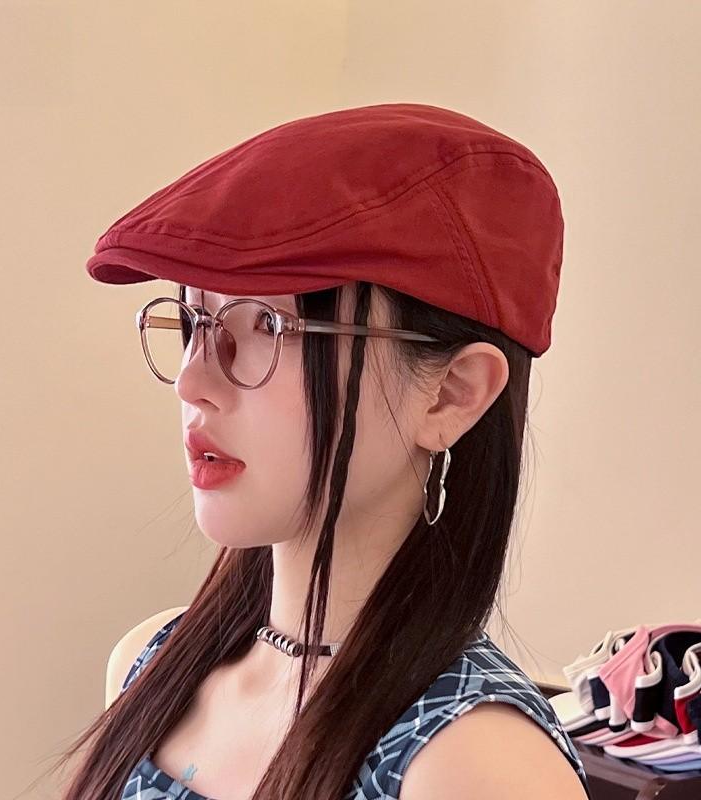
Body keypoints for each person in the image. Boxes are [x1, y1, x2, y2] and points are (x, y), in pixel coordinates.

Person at [55, 103, 592, 799]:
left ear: (451, 394)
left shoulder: (475, 768)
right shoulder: (149, 665)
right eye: (194, 320)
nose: (193, 381)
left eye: (266, 325)